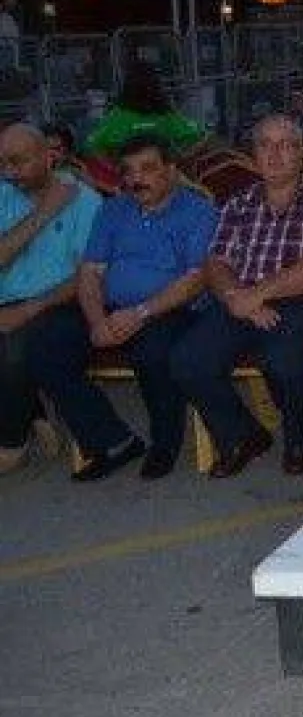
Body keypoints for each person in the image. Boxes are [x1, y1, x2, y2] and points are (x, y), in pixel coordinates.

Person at [27, 135, 217, 480]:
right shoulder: (113, 210)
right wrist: (97, 320)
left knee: (153, 350)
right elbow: (90, 272)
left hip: (171, 310)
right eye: (128, 171)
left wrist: (141, 312)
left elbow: (195, 280)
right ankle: (112, 441)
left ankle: (165, 443)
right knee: (45, 342)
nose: (135, 179)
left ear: (171, 172)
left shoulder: (199, 212)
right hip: (110, 308)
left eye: (148, 169)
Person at [171, 116, 303, 477]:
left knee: (283, 359)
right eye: (265, 144)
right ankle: (241, 435)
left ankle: (298, 436)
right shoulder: (238, 203)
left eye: (285, 145)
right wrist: (236, 298)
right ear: (254, 154)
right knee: (187, 358)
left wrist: (259, 294)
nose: (275, 154)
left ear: (301, 153)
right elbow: (216, 261)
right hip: (240, 299)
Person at [0, 125, 103, 473]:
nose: (10, 172)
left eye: (18, 162)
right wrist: (43, 213)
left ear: (49, 156)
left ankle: (13, 441)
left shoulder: (84, 200)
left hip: (61, 304)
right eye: (2, 164)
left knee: (16, 347)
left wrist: (29, 309)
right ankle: (32, 412)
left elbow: (86, 277)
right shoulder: (3, 195)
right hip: (7, 301)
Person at [83, 62, 204, 158]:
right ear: (157, 85)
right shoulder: (166, 114)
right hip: (160, 177)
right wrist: (179, 157)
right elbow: (198, 135)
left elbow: (90, 147)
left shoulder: (117, 116)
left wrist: (112, 166)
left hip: (126, 177)